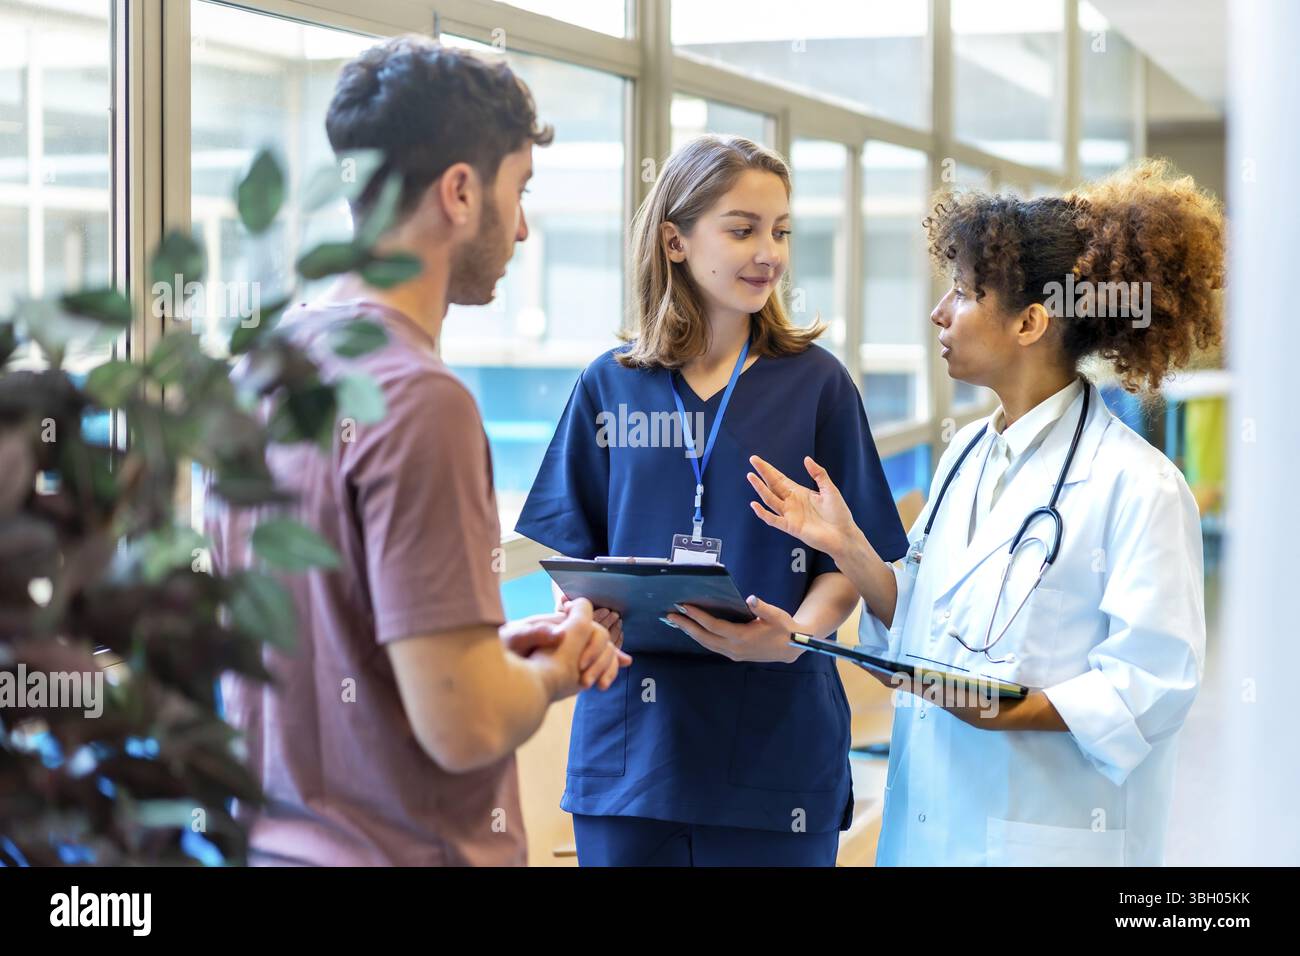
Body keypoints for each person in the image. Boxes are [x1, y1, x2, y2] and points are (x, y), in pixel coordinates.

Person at [208, 36, 629, 867]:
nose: (524, 230)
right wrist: (556, 672)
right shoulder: (420, 401)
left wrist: (486, 653)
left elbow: (339, 648)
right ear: (462, 192)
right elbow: (462, 723)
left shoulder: (261, 370)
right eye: (520, 193)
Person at [746, 159, 1224, 865]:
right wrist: (848, 548)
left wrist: (996, 709)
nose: (940, 313)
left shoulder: (1138, 486)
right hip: (929, 831)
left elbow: (1150, 686)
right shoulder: (966, 454)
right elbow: (920, 623)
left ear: (1030, 321)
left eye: (965, 293)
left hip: (1043, 836)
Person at [514, 135, 909, 866]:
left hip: (776, 752)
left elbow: (853, 556)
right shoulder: (610, 384)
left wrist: (797, 634)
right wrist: (588, 610)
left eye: (781, 231)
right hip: (632, 757)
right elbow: (572, 552)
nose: (769, 252)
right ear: (675, 240)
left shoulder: (817, 386)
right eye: (742, 229)